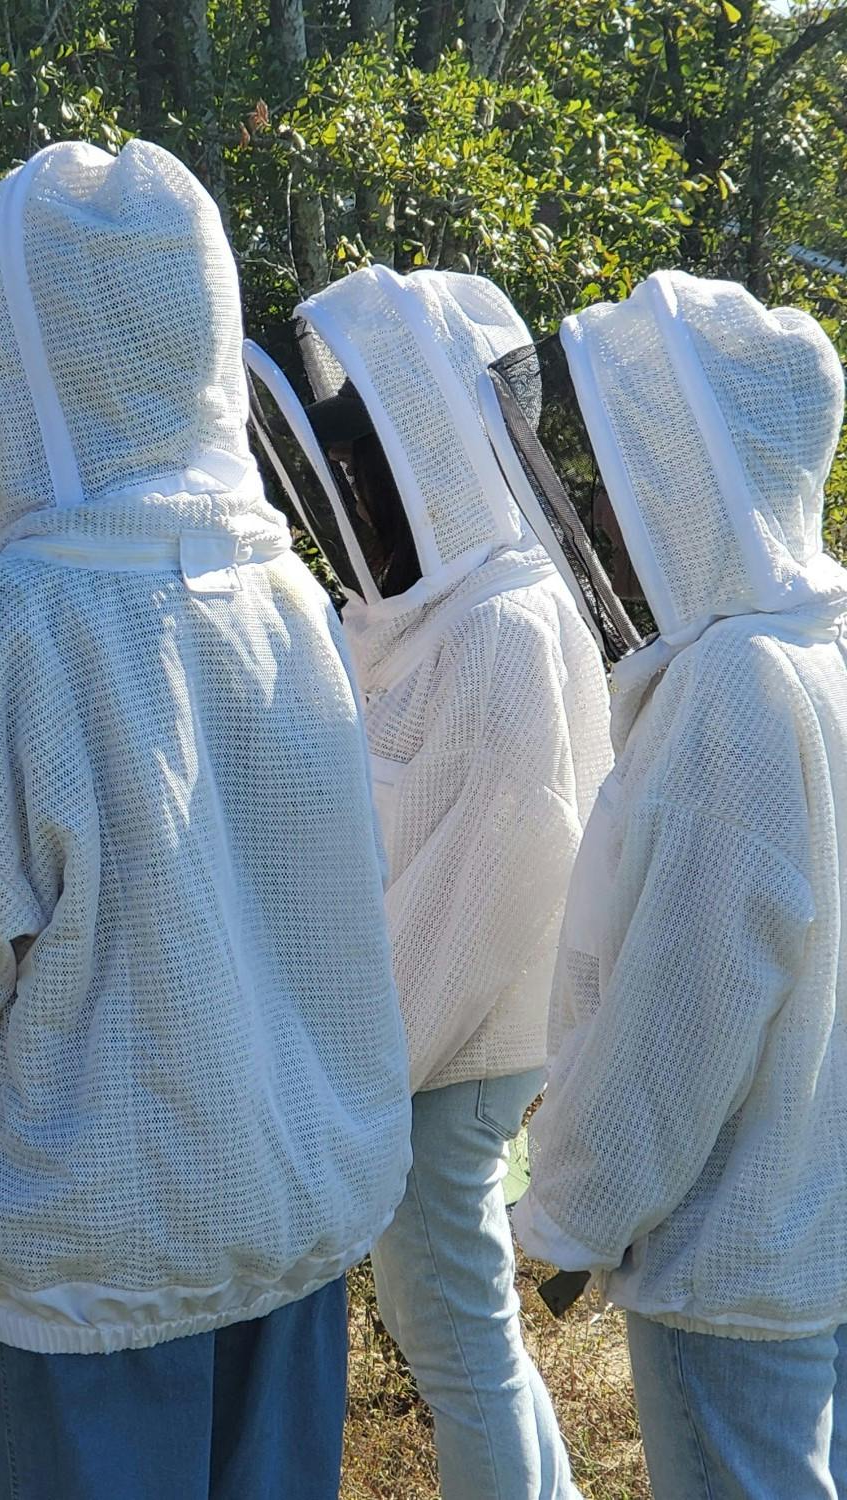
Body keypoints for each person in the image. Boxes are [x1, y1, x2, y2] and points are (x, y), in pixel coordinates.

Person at [0, 139, 412, 1499]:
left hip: (103, 1239)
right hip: (294, 1211)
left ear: (13, 356)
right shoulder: (287, 587)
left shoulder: (24, 615)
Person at [247, 266, 609, 1499]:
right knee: (456, 1326)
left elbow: (503, 866)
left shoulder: (501, 618)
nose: (349, 480)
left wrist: (361, 1052)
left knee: (453, 1335)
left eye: (368, 454)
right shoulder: (433, 606)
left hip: (456, 1041)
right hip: (430, 1030)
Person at [507, 270, 847, 1499]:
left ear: (696, 474)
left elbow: (684, 1014)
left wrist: (564, 1219)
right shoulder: (817, 645)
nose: (603, 507)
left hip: (732, 1263)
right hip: (812, 1226)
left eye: (629, 464)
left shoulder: (738, 689)